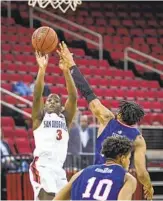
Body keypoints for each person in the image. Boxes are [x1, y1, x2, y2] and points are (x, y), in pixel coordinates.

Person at [57, 41, 154, 200]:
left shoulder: (107, 118)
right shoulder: (138, 139)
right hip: (116, 183)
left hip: (92, 174)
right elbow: (142, 172)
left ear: (120, 114)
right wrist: (148, 186)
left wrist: (72, 65)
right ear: (135, 121)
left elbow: (87, 92)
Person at [29, 50, 77, 201]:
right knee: (48, 198)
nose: (51, 102)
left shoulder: (65, 119)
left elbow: (73, 97)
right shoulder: (39, 118)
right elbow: (37, 95)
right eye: (49, 100)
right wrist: (41, 69)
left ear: (61, 107)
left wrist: (66, 71)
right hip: (42, 166)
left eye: (56, 101)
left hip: (59, 169)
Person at [54, 136, 137, 201]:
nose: (129, 162)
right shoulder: (127, 178)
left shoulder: (81, 173)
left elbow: (57, 199)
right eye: (129, 158)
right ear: (122, 158)